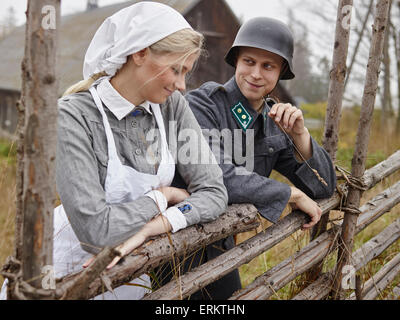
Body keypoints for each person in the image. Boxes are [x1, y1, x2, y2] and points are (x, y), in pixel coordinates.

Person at [0, 2, 227, 300]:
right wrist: (163, 197)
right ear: (140, 53)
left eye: (186, 72)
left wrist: (152, 228)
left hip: (131, 268)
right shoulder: (74, 116)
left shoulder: (171, 107)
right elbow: (97, 233)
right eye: (175, 69)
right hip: (69, 272)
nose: (183, 84)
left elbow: (214, 192)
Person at [158, 17, 337, 299]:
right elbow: (217, 177)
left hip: (221, 242)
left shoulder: (273, 122)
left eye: (268, 66)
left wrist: (301, 136)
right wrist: (290, 193)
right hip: (177, 242)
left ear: (281, 72)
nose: (255, 74)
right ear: (237, 61)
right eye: (249, 62)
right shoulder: (203, 104)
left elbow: (324, 187)